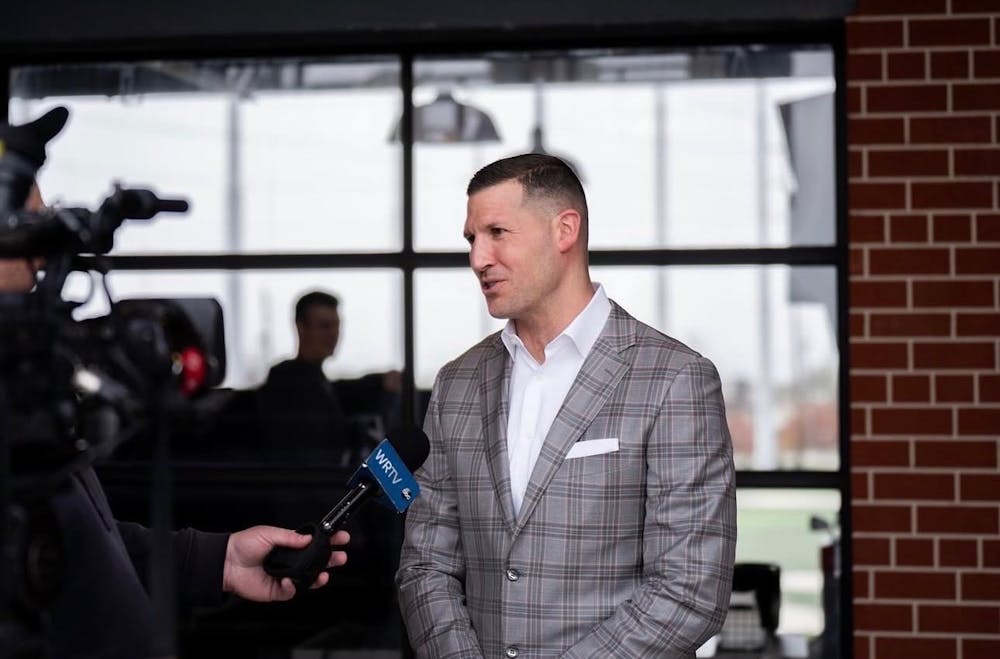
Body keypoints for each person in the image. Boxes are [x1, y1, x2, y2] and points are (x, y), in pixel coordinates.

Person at [0, 109, 351, 656]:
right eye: (25, 229)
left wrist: (218, 560)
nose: (43, 256)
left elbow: (79, 545)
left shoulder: (24, 391)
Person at [396, 154, 737, 657]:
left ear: (564, 230)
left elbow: (689, 589)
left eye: (497, 232)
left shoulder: (674, 380)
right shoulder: (457, 383)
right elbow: (426, 565)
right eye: (472, 239)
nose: (478, 258)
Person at [258, 290, 401, 461]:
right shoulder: (287, 380)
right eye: (325, 326)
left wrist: (382, 381)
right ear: (301, 327)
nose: (334, 334)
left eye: (337, 326)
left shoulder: (317, 379)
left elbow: (340, 390)